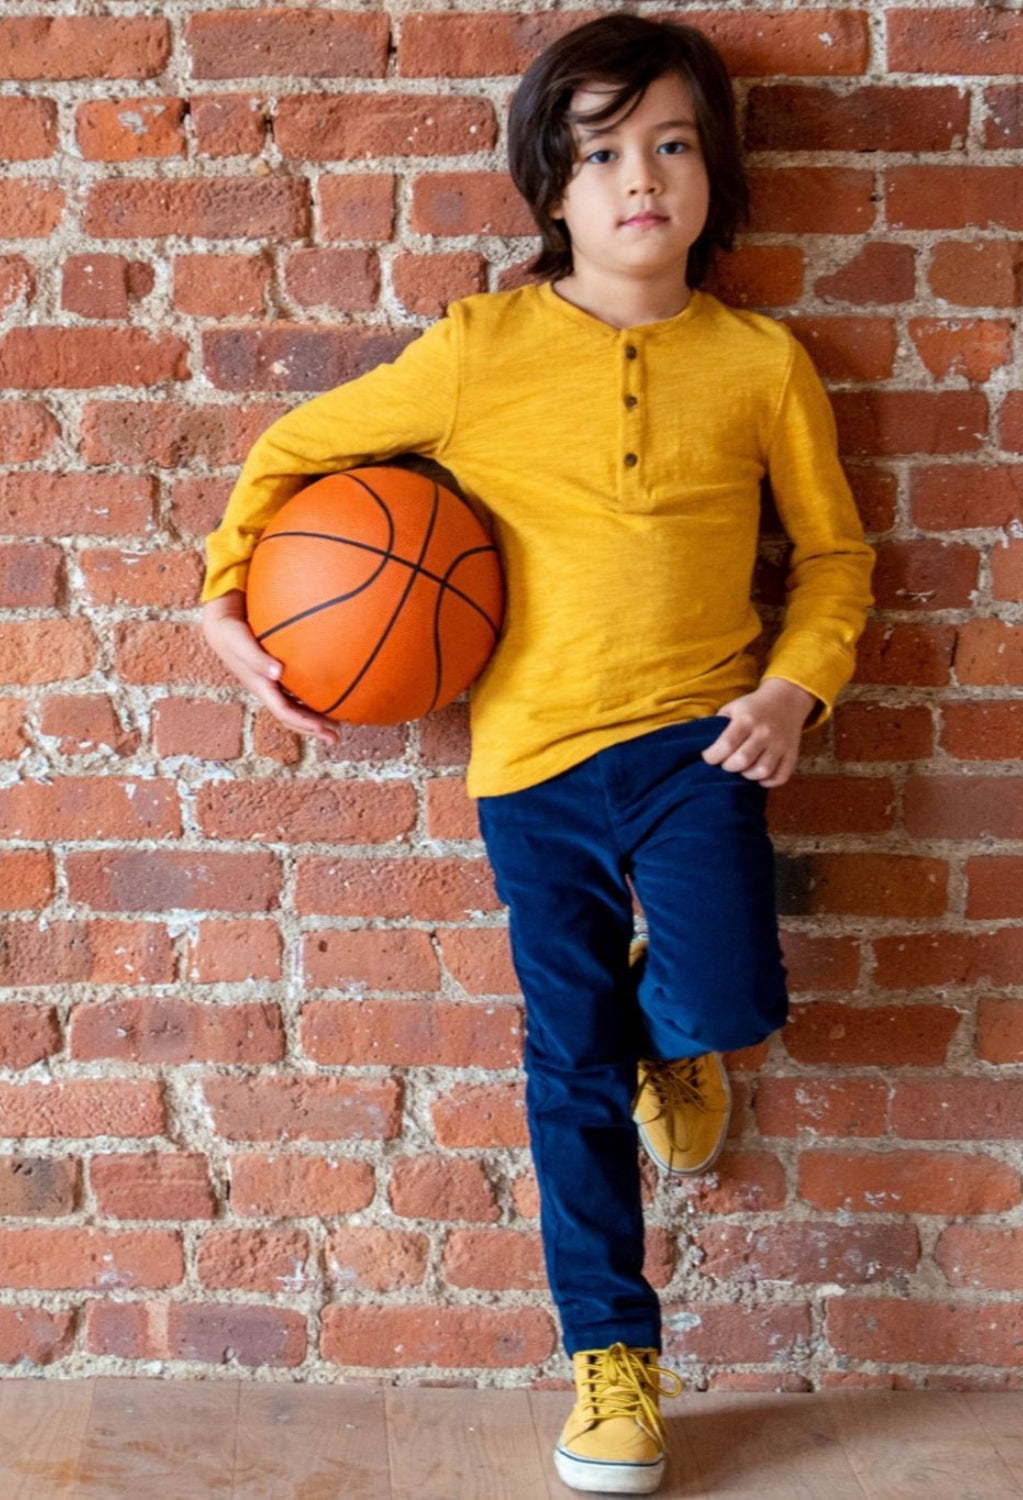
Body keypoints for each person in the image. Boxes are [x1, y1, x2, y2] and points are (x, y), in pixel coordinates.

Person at [199, 14, 874, 1494]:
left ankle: (675, 1043)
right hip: (529, 773)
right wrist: (224, 598)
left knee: (731, 994)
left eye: (673, 145)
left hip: (701, 746)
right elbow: (289, 452)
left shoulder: (762, 364)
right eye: (603, 152)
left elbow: (834, 560)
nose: (643, 178)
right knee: (568, 1064)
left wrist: (796, 690)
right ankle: (611, 1361)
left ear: (715, 172)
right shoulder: (479, 352)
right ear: (550, 188)